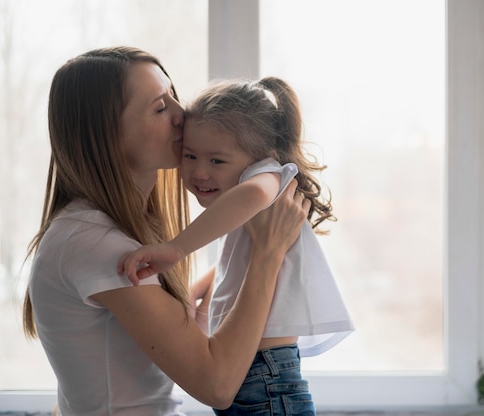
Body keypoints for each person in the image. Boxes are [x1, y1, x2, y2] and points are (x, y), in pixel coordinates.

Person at [21, 46, 308, 416]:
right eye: (160, 107)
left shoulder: (114, 230)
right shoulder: (93, 242)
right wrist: (267, 254)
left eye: (174, 95)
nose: (182, 114)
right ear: (106, 133)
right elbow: (217, 386)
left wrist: (213, 285)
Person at [119, 77, 354, 415]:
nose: (199, 171)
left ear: (259, 158)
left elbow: (254, 194)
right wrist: (202, 291)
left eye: (217, 161)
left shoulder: (269, 177)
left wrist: (176, 249)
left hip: (268, 378)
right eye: (191, 155)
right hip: (257, 375)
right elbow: (241, 259)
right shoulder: (249, 202)